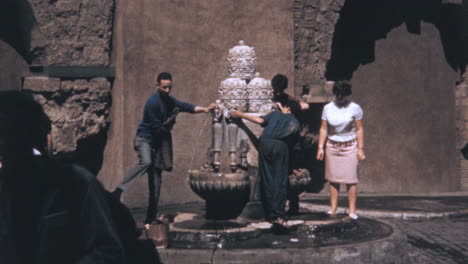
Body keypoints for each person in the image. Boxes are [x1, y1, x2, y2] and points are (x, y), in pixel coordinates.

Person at [0, 91, 125, 264]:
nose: (3, 142)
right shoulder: (5, 188)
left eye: (8, 133)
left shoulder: (76, 183)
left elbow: (109, 251)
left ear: (31, 135)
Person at [112, 72, 216, 225]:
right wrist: (172, 119)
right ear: (157, 86)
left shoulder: (169, 100)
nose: (167, 91)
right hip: (145, 139)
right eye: (164, 87)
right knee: (146, 162)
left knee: (156, 182)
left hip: (158, 143)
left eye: (169, 87)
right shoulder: (152, 102)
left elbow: (185, 106)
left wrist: (205, 109)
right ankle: (119, 189)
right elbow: (156, 128)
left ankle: (151, 216)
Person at [230, 100, 301, 230]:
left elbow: (260, 121)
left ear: (286, 107)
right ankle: (278, 215)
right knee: (279, 181)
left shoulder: (274, 115)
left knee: (268, 179)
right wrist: (293, 168)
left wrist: (240, 114)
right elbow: (294, 148)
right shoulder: (295, 122)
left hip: (265, 144)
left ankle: (270, 214)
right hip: (281, 146)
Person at [316, 81, 365, 220]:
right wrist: (320, 147)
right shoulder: (328, 108)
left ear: (347, 94)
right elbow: (324, 128)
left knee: (351, 179)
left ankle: (352, 211)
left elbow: (360, 129)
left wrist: (361, 149)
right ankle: (333, 209)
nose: (339, 97)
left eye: (342, 95)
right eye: (337, 94)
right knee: (334, 179)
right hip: (332, 145)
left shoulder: (355, 108)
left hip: (350, 146)